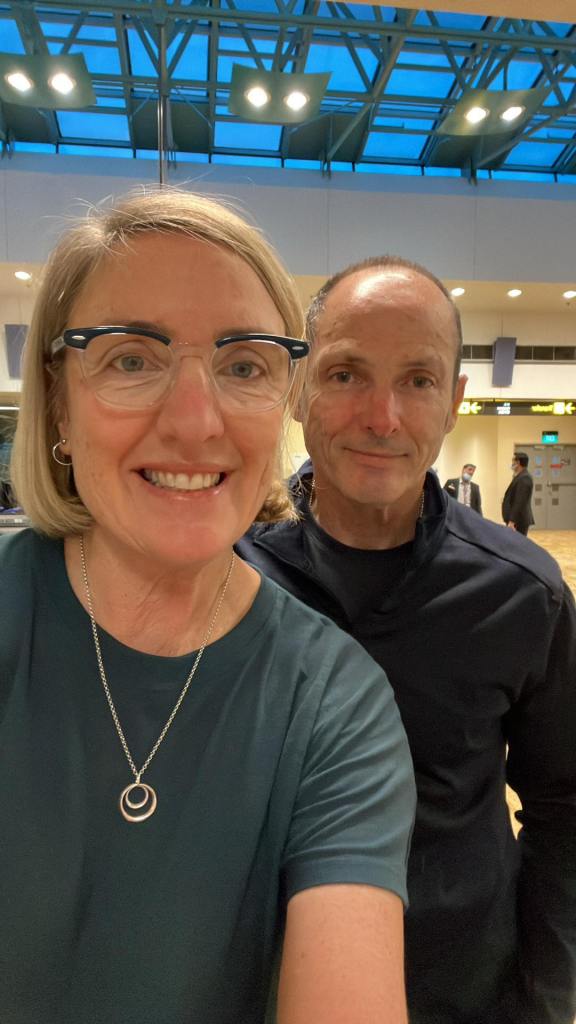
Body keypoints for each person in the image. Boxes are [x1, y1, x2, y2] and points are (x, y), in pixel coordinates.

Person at [1, 195, 416, 1024]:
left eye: (245, 365)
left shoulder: (334, 703)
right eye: (131, 358)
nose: (196, 423)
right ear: (59, 400)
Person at [238, 255, 576, 1024]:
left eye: (418, 380)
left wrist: (545, 997)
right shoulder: (230, 578)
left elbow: (564, 804)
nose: (382, 416)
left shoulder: (523, 594)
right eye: (346, 374)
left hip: (464, 992)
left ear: (454, 401)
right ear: (298, 388)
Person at [502, 451, 535, 535]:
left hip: (518, 521)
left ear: (518, 462)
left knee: (516, 543)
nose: (512, 463)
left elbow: (519, 501)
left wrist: (512, 521)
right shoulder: (519, 476)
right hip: (516, 520)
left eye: (513, 460)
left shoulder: (525, 478)